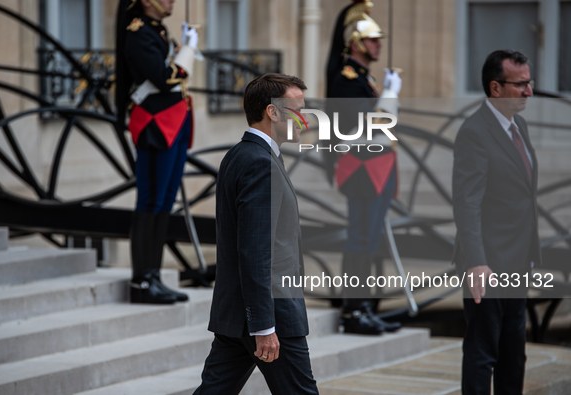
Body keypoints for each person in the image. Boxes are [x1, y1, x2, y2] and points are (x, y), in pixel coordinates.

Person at [193, 73, 319, 394]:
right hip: (268, 315)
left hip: (238, 314)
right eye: (296, 109)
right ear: (272, 112)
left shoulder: (241, 154)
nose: (303, 118)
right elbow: (255, 249)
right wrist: (263, 325)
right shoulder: (258, 163)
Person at [452, 50, 540, 394]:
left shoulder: (520, 126)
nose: (529, 91)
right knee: (482, 353)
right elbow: (467, 203)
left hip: (518, 262)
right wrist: (476, 262)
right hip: (487, 265)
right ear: (496, 88)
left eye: (529, 82)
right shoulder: (474, 132)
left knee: (513, 355)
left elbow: (523, 198)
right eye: (521, 84)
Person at [115, 0, 199, 304]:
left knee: (164, 202)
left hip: (173, 123)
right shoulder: (138, 33)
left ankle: (154, 275)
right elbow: (164, 78)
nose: (171, 1)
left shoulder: (158, 31)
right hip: (155, 125)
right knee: (150, 200)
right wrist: (187, 50)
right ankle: (141, 280)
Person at [326, 2, 402, 335]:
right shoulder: (347, 78)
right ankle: (353, 310)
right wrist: (390, 96)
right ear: (356, 43)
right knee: (360, 238)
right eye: (372, 40)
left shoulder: (361, 77)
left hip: (377, 166)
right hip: (361, 168)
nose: (378, 45)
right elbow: (369, 125)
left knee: (370, 239)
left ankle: (365, 305)